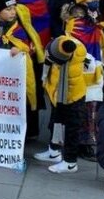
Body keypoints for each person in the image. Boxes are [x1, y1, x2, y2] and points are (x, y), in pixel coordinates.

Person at [62, 0, 104, 160]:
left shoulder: (94, 20)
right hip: (81, 71)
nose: (95, 1)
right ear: (82, 1)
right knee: (80, 109)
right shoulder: (74, 23)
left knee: (93, 108)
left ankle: (90, 142)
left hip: (96, 70)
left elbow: (100, 42)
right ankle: (79, 144)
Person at [34, 35, 87, 173]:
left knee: (70, 129)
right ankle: (54, 151)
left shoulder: (71, 67)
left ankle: (70, 162)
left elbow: (65, 83)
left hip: (71, 99)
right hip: (58, 96)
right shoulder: (61, 43)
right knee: (56, 122)